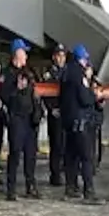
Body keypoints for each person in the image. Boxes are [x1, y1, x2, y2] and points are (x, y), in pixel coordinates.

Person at [0, 39, 42, 200]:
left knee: (31, 154)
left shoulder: (29, 72)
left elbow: (35, 94)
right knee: (15, 153)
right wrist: (16, 88)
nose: (26, 56)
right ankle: (11, 189)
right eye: (24, 52)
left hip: (30, 119)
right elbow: (4, 95)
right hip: (16, 118)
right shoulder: (7, 73)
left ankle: (31, 186)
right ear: (17, 53)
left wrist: (38, 113)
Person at [59, 44, 100, 202]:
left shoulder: (65, 73)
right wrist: (92, 92)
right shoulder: (80, 75)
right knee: (86, 157)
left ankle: (70, 188)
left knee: (71, 157)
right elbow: (85, 99)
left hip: (68, 122)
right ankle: (88, 191)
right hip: (80, 121)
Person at [40, 44, 67, 186]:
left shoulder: (67, 71)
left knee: (66, 145)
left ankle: (65, 171)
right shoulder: (49, 74)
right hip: (55, 114)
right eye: (58, 55)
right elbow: (45, 93)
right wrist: (52, 109)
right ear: (54, 57)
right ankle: (55, 174)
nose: (61, 58)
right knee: (56, 145)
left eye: (63, 55)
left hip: (67, 113)